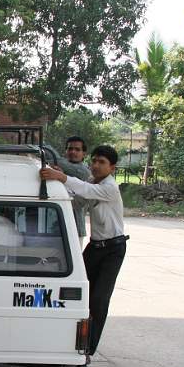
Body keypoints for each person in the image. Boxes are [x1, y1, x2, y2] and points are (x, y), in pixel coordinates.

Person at [40, 145, 127, 356]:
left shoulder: (110, 187)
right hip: (95, 246)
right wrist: (55, 182)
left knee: (99, 300)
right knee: (79, 291)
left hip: (113, 249)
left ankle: (89, 348)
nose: (96, 165)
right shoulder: (91, 182)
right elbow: (79, 199)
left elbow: (85, 191)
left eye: (102, 162)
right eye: (95, 161)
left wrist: (61, 177)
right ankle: (72, 336)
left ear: (112, 168)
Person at [54, 136, 92, 246]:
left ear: (84, 154)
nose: (73, 152)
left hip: (75, 227)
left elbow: (56, 160)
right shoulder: (62, 169)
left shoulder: (83, 171)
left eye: (77, 149)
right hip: (57, 227)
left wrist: (60, 176)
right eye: (70, 149)